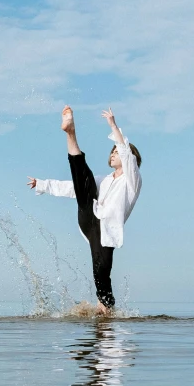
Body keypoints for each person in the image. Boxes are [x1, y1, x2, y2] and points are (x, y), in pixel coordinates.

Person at [27, 106, 142, 315]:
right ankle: (70, 133)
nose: (115, 153)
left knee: (101, 271)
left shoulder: (132, 181)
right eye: (113, 151)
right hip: (89, 218)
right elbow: (75, 188)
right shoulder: (103, 181)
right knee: (84, 181)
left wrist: (114, 127)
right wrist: (43, 184)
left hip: (105, 231)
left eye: (117, 151)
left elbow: (127, 153)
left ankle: (105, 309)